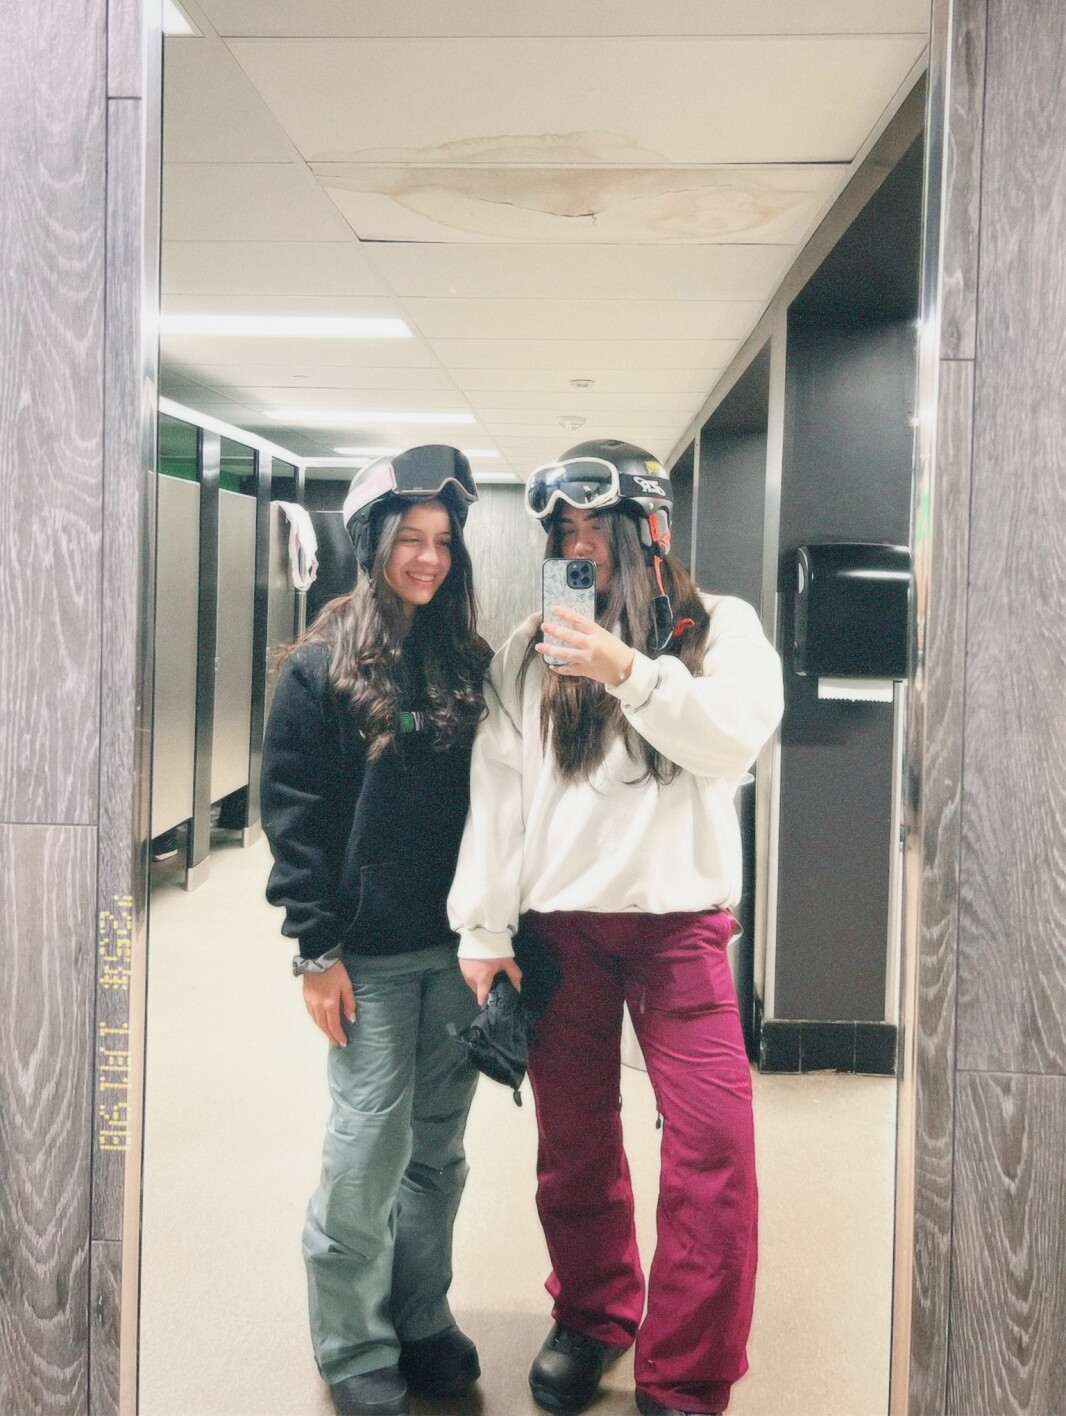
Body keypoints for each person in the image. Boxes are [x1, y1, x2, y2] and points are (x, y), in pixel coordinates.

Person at [448, 440, 784, 1416]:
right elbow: (497, 791)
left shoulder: (718, 628)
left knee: (715, 1149)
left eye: (596, 526)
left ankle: (685, 1370)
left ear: (649, 530)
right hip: (561, 930)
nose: (577, 545)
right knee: (575, 1142)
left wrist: (628, 671)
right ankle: (594, 1313)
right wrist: (483, 927)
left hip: (680, 931)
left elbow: (731, 737)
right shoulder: (530, 650)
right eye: (563, 530)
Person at [261, 445, 490, 1416]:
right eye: (410, 539)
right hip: (366, 954)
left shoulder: (469, 662)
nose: (428, 558)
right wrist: (314, 949)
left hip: (457, 950)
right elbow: (295, 816)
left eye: (442, 540)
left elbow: (499, 809)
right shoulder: (317, 669)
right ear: (371, 543)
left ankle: (419, 1315)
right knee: (367, 1149)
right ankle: (353, 1339)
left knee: (437, 1150)